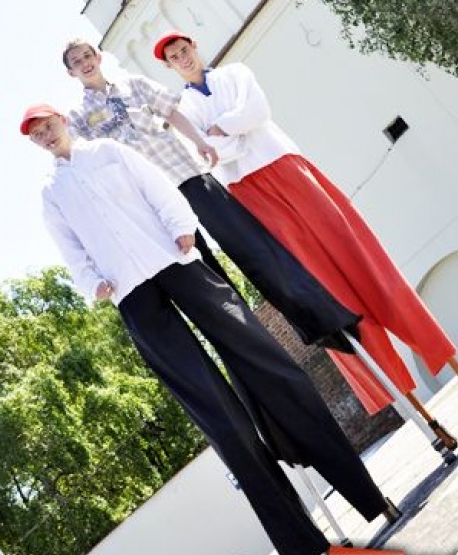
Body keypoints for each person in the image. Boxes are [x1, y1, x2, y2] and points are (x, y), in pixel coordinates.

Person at [20, 103, 399, 555]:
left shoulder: (110, 152)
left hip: (177, 263)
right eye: (36, 134)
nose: (45, 135)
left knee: (268, 365)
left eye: (48, 125)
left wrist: (183, 229)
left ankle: (365, 492)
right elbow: (69, 248)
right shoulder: (51, 193)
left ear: (62, 120)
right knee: (219, 418)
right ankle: (302, 542)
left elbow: (158, 190)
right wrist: (91, 280)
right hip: (132, 296)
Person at [154, 32, 458, 418]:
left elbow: (257, 113)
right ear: (168, 66)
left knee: (357, 252)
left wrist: (223, 130)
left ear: (194, 48)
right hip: (248, 191)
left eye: (184, 50)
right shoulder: (185, 108)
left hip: (286, 166)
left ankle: (432, 345)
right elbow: (212, 153)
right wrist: (228, 131)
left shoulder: (234, 73)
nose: (182, 58)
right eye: (173, 57)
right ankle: (397, 391)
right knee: (322, 286)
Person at [62, 39, 382, 363]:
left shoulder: (133, 84)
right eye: (77, 61)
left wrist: (199, 142)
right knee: (210, 281)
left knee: (250, 245)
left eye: (88, 55)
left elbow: (172, 112)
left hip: (183, 174)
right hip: (151, 206)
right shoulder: (76, 118)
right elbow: (85, 163)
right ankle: (254, 353)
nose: (85, 62)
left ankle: (319, 318)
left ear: (98, 57)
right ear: (71, 72)